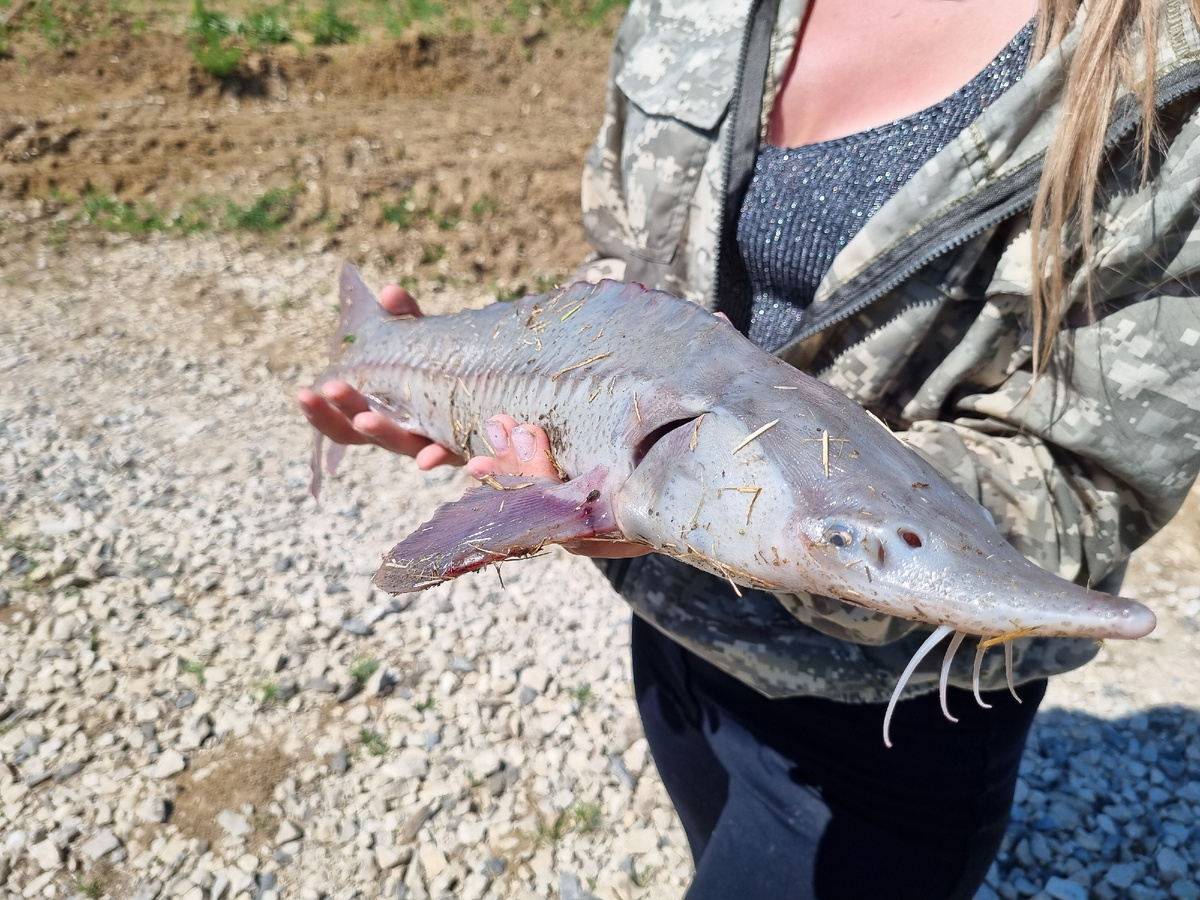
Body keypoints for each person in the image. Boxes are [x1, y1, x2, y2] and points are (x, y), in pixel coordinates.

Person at [299, 0, 1200, 896]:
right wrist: (476, 383)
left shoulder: (1169, 70)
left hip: (890, 718)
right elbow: (625, 260)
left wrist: (843, 534)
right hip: (668, 640)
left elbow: (1089, 479)